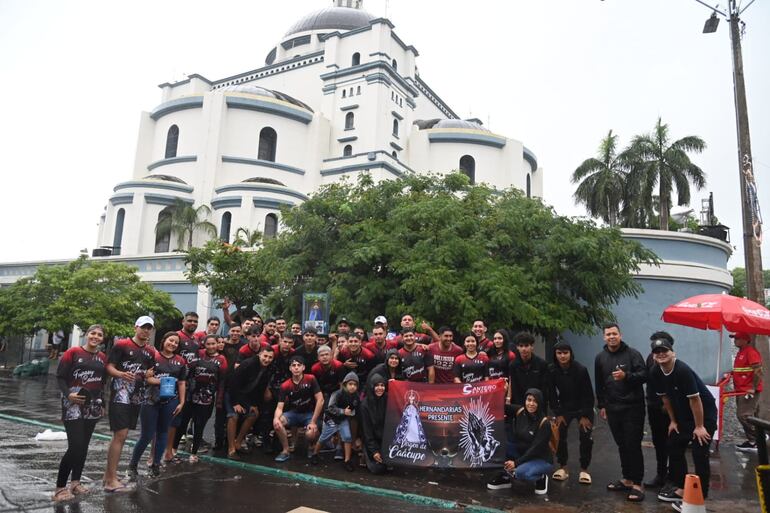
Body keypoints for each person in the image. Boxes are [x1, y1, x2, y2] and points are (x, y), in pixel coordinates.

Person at [648, 337, 717, 509]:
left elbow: (695, 400)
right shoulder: (655, 371)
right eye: (657, 352)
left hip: (703, 414)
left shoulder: (682, 370)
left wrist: (699, 426)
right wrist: (673, 421)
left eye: (664, 350)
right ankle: (681, 487)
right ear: (653, 356)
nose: (661, 354)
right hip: (683, 415)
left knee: (699, 452)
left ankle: (700, 495)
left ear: (673, 353)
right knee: (674, 445)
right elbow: (665, 398)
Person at [103, 316, 157, 492]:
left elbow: (148, 374)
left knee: (121, 436)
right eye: (143, 327)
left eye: (149, 328)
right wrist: (120, 374)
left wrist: (149, 376)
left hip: (136, 397)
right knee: (121, 435)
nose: (146, 331)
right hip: (120, 395)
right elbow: (109, 367)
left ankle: (109, 475)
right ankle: (110, 480)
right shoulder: (122, 345)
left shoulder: (150, 351)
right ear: (136, 327)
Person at [53, 324, 108, 501]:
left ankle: (75, 482)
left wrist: (103, 404)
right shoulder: (73, 352)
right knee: (75, 446)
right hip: (73, 404)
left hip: (93, 405)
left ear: (103, 339)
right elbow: (60, 377)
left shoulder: (102, 358)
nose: (95, 337)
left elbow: (102, 383)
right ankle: (60, 488)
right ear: (86, 334)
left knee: (83, 446)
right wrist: (68, 394)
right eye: (93, 333)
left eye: (99, 335)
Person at [595, 323, 647, 502]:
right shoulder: (600, 357)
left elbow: (644, 375)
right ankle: (627, 478)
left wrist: (627, 376)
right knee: (622, 444)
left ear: (620, 335)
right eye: (608, 334)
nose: (611, 337)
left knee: (633, 444)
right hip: (612, 408)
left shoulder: (633, 354)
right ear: (604, 337)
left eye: (614, 334)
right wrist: (602, 405)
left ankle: (638, 483)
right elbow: (599, 383)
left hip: (633, 407)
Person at [129, 331, 187, 478]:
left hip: (170, 401)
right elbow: (146, 378)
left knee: (163, 433)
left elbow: (181, 382)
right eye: (170, 340)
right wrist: (160, 381)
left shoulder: (180, 361)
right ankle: (133, 465)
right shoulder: (153, 357)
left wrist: (182, 402)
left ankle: (156, 464)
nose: (173, 344)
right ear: (164, 340)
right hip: (150, 400)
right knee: (147, 435)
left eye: (176, 342)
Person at [174, 335, 228, 462]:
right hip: (191, 394)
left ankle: (194, 452)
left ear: (217, 344)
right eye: (208, 344)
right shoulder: (198, 354)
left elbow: (222, 381)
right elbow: (188, 371)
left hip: (207, 397)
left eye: (213, 344)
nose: (211, 346)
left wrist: (219, 400)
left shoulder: (222, 360)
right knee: (183, 423)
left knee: (199, 425)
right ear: (204, 344)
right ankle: (173, 449)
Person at [547, 340, 594, 485]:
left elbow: (589, 394)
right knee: (559, 434)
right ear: (555, 354)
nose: (562, 356)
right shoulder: (552, 370)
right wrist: (558, 413)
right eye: (559, 353)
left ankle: (584, 469)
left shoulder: (581, 369)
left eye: (565, 353)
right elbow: (551, 394)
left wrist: (585, 415)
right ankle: (563, 467)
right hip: (564, 407)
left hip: (583, 407)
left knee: (585, 436)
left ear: (570, 354)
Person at [226, 345, 274, 460]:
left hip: (245, 396)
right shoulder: (248, 364)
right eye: (265, 356)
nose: (267, 359)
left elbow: (260, 389)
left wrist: (253, 404)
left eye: (270, 357)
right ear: (259, 354)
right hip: (231, 393)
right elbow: (233, 382)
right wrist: (235, 403)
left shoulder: (268, 368)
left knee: (254, 414)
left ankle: (238, 442)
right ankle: (231, 449)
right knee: (233, 416)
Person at [273, 355, 324, 462]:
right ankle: (285, 450)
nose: (296, 367)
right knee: (277, 424)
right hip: (294, 414)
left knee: (311, 432)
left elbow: (320, 400)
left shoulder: (311, 379)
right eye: (293, 365)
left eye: (299, 365)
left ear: (303, 367)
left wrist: (313, 421)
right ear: (290, 368)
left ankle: (312, 447)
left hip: (309, 414)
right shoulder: (285, 385)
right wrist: (276, 418)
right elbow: (279, 407)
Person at [503, 388, 554, 495]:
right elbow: (501, 407)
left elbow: (534, 450)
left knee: (520, 473)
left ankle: (541, 477)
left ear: (540, 403)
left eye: (535, 401)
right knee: (499, 447)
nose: (531, 404)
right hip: (522, 453)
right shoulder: (520, 411)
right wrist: (503, 391)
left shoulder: (544, 423)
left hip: (540, 459)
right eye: (529, 400)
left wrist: (516, 463)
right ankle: (506, 475)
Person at [644, 331, 674, 490]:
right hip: (653, 405)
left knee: (672, 442)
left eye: (662, 348)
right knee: (658, 441)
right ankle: (661, 474)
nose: (658, 351)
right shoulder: (651, 359)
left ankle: (673, 478)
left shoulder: (674, 364)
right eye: (655, 348)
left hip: (669, 408)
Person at [312, 372, 361, 470]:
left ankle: (347, 460)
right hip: (331, 419)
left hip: (343, 419)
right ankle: (315, 454)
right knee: (324, 438)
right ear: (345, 384)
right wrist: (343, 411)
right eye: (350, 384)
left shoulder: (356, 396)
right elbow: (330, 407)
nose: (352, 387)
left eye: (355, 385)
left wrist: (351, 413)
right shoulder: (337, 393)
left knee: (347, 437)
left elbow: (355, 408)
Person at [731, 331, 763, 452]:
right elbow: (741, 370)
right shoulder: (741, 352)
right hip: (741, 390)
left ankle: (758, 438)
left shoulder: (750, 352)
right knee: (746, 416)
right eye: (734, 338)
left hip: (748, 391)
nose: (735, 340)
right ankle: (753, 441)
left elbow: (758, 371)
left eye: (737, 338)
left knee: (743, 416)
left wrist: (753, 388)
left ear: (745, 340)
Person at [508, 332, 548, 406]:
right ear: (517, 347)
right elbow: (515, 389)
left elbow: (544, 388)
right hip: (519, 405)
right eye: (521, 346)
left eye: (526, 346)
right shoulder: (512, 365)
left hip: (537, 404)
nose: (524, 349)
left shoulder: (542, 364)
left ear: (532, 346)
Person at [360, 373, 388, 474]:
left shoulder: (388, 399)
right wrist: (375, 451)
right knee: (378, 469)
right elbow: (367, 432)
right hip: (371, 441)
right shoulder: (365, 405)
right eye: (377, 385)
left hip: (385, 440)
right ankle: (364, 454)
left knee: (392, 464)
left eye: (382, 385)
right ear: (372, 387)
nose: (380, 388)